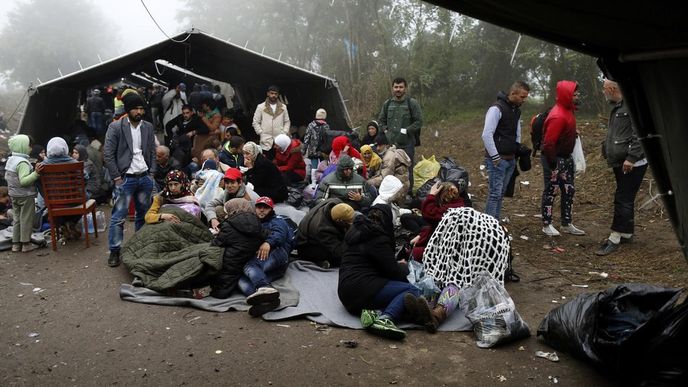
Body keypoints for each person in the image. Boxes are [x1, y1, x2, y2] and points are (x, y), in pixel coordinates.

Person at [103, 92, 157, 267]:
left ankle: (139, 248)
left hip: (144, 177)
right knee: (118, 217)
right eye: (136, 108)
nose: (139, 111)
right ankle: (115, 251)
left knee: (143, 215)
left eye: (142, 108)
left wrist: (152, 174)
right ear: (128, 110)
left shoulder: (147, 126)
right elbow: (108, 154)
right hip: (126, 179)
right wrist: (117, 178)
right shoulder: (116, 127)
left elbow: (152, 152)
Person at [596, 79, 648, 256]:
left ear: (611, 89)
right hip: (621, 161)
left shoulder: (631, 106)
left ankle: (615, 237)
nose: (603, 92)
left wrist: (632, 158)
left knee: (622, 198)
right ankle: (627, 232)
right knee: (626, 196)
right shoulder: (617, 106)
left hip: (632, 162)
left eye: (604, 88)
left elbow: (639, 133)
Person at [541, 80, 586, 237]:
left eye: (577, 93)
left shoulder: (569, 110)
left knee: (569, 190)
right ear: (566, 95)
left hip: (566, 157)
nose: (577, 96)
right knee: (551, 191)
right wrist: (553, 164)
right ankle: (547, 224)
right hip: (554, 158)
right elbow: (548, 143)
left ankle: (566, 223)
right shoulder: (558, 115)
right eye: (574, 94)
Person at [481, 81, 530, 221]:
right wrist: (495, 157)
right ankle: (488, 225)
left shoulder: (516, 110)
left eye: (526, 97)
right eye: (522, 96)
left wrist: (517, 150)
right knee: (495, 193)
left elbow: (517, 132)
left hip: (510, 159)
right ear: (513, 93)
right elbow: (486, 134)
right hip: (498, 160)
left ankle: (494, 221)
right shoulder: (496, 109)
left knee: (501, 193)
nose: (524, 100)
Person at [239, 196, 294, 317]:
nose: (262, 210)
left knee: (250, 266)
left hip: (279, 253)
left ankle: (264, 287)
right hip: (271, 265)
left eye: (266, 207)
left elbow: (280, 234)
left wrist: (268, 242)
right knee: (242, 280)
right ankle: (268, 301)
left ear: (271, 209)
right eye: (259, 207)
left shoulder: (277, 220)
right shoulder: (254, 222)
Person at [209, 198, 264, 299]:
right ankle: (261, 294)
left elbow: (215, 245)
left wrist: (217, 235)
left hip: (230, 264)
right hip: (248, 261)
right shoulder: (257, 222)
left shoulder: (229, 224)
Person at [377, 77, 423, 191]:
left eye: (401, 87)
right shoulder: (387, 104)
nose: (398, 89)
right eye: (396, 87)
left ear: (405, 89)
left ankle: (407, 194)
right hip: (391, 144)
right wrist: (386, 131)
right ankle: (391, 194)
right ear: (392, 88)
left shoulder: (411, 103)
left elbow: (419, 122)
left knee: (407, 170)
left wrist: (407, 130)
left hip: (407, 144)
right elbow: (381, 121)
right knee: (389, 169)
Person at [409, 181, 466, 261]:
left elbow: (429, 214)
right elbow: (435, 227)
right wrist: (421, 235)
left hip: (447, 253)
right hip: (444, 244)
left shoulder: (451, 211)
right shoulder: (459, 204)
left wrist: (431, 195)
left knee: (413, 253)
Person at [4, 134, 43, 252]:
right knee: (26, 218)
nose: (31, 148)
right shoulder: (23, 163)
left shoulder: (11, 160)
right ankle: (26, 244)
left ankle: (15, 244)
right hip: (25, 195)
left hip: (14, 194)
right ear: (23, 147)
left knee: (17, 219)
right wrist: (36, 173)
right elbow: (24, 181)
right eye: (29, 146)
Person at [296, 199, 354, 268]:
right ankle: (322, 262)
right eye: (349, 222)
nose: (352, 223)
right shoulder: (322, 229)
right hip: (306, 245)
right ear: (339, 221)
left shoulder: (335, 202)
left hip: (317, 233)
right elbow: (338, 251)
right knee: (340, 258)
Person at [205, 168, 256, 232]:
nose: (229, 186)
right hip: (232, 223)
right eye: (227, 183)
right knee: (218, 209)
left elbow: (254, 218)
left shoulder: (249, 196)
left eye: (232, 182)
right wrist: (213, 219)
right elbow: (210, 205)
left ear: (240, 182)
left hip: (246, 227)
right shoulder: (226, 193)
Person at [367, 134, 411, 203]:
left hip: (397, 191)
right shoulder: (391, 153)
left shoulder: (389, 157)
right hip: (401, 187)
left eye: (380, 145)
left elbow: (384, 178)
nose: (378, 148)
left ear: (386, 145)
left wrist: (368, 182)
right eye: (376, 146)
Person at [252, 85, 290, 159]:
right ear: (268, 94)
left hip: (279, 140)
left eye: (275, 94)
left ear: (278, 95)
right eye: (272, 93)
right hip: (265, 140)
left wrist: (284, 133)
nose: (273, 95)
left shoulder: (283, 107)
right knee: (267, 162)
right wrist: (261, 132)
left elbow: (287, 121)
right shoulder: (261, 107)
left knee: (280, 162)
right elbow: (255, 122)